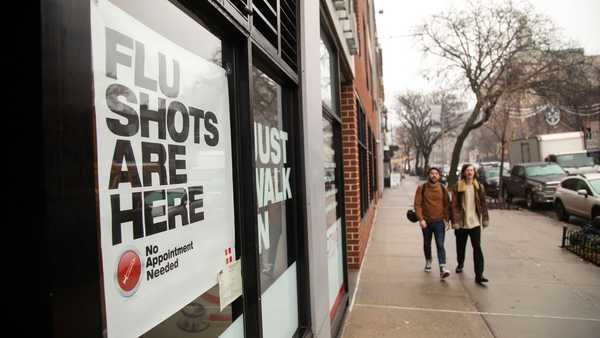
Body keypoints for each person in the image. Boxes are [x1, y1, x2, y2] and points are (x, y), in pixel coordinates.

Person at [450, 164, 490, 285]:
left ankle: (479, 275)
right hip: (462, 223)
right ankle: (460, 263)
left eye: (472, 170)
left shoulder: (479, 187)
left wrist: (485, 218)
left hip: (475, 223)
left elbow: (483, 204)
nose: (470, 172)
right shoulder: (458, 186)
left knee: (477, 248)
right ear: (463, 173)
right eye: (467, 170)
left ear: (474, 173)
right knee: (460, 247)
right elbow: (454, 205)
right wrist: (455, 221)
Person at [414, 167, 451, 279]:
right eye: (432, 173)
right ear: (428, 175)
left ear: (439, 176)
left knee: (440, 244)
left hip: (439, 222)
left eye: (436, 173)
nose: (434, 175)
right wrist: (421, 219)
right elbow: (417, 204)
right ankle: (428, 260)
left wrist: (446, 219)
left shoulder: (443, 188)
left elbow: (447, 205)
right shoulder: (422, 188)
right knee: (427, 243)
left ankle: (442, 268)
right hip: (426, 222)